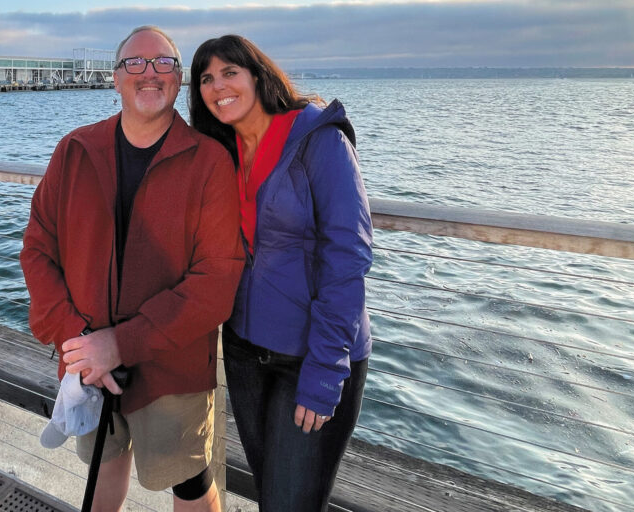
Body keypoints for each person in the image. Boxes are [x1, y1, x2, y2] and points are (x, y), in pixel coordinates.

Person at [21, 26, 244, 512]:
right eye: (136, 64)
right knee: (102, 464)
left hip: (171, 363)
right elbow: (38, 248)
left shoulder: (209, 161)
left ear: (179, 80)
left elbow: (217, 280)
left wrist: (119, 343)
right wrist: (77, 339)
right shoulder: (75, 150)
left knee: (188, 480)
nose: (150, 73)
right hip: (86, 356)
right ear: (116, 79)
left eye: (163, 63)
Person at [188, 35, 373, 511]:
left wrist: (326, 369)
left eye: (230, 72)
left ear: (257, 75)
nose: (218, 85)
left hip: (312, 356)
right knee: (272, 494)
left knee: (290, 502)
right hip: (247, 351)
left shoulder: (318, 139)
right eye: (206, 78)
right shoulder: (220, 152)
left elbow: (348, 255)